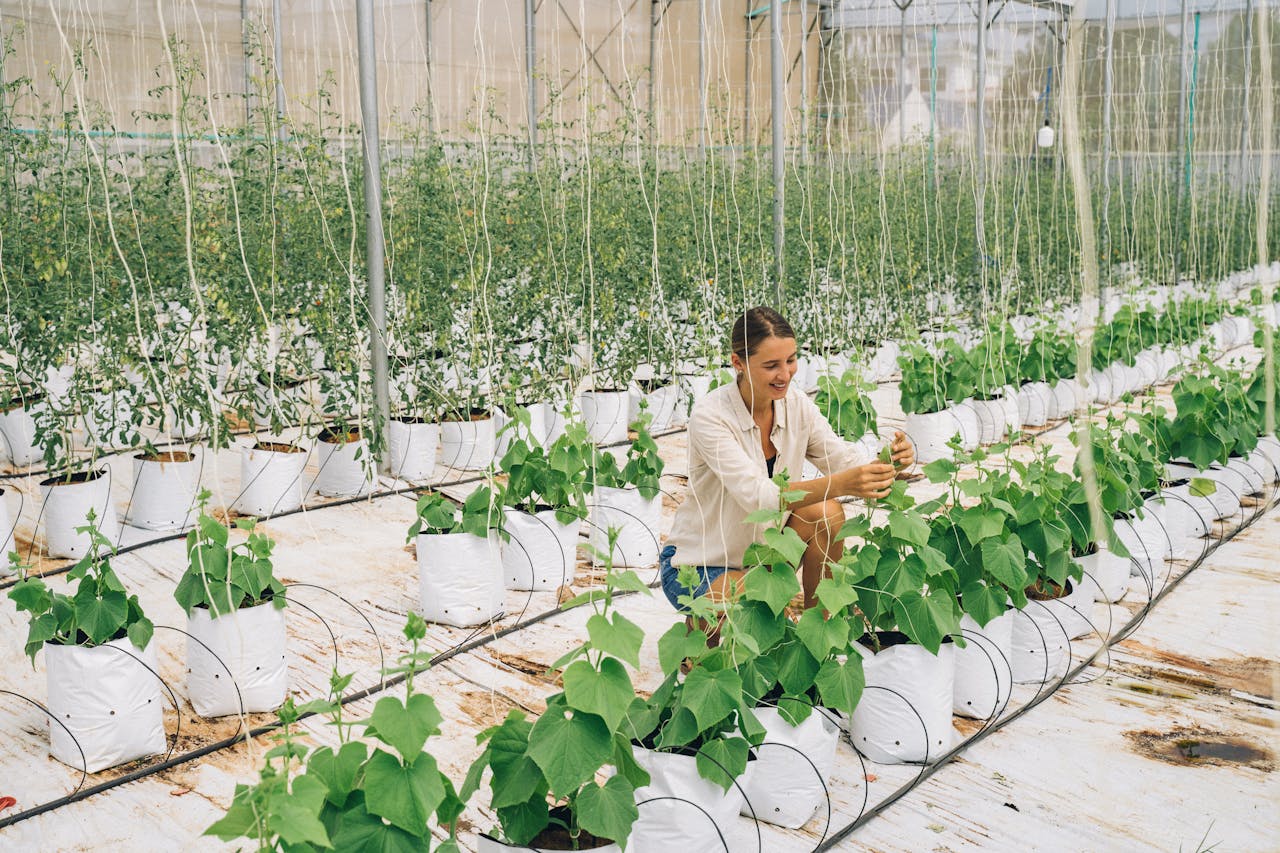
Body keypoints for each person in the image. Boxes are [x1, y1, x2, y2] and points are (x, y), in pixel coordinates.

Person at [660, 306, 914, 623]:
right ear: (737, 362)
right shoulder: (711, 416)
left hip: (764, 555)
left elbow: (841, 458)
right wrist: (845, 483)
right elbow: (759, 497)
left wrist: (889, 462)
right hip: (698, 563)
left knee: (826, 512)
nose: (785, 374)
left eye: (791, 360)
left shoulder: (794, 403)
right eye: (771, 365)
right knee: (721, 644)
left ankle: (816, 631)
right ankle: (699, 629)